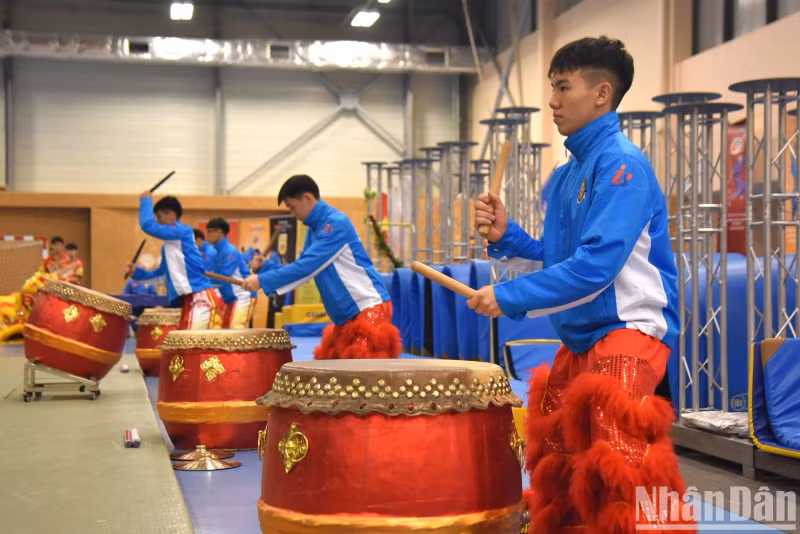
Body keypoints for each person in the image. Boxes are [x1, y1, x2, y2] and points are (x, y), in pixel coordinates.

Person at [470, 37, 692, 532]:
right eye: (552, 87)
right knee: (557, 450)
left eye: (563, 87)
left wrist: (507, 297)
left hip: (628, 331)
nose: (552, 101)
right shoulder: (568, 174)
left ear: (601, 93)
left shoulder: (623, 166)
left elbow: (595, 269)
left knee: (619, 466)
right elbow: (560, 257)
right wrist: (508, 237)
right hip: (582, 334)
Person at [242, 175, 400, 359]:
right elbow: (302, 266)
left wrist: (261, 281)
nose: (293, 214)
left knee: (361, 368)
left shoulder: (335, 223)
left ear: (307, 198)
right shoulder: (314, 229)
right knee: (335, 369)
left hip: (368, 308)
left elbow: (307, 267)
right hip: (347, 315)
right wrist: (266, 267)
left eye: (292, 207)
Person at [126, 193, 219, 330]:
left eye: (159, 217)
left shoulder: (183, 232)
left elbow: (147, 225)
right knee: (185, 342)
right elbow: (160, 275)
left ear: (171, 216)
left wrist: (146, 200)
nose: (157, 221)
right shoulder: (167, 248)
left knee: (191, 342)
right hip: (187, 300)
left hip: (200, 297)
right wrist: (136, 272)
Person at [206, 217, 255, 329]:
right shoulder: (215, 252)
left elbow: (222, 277)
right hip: (229, 298)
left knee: (236, 329)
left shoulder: (230, 251)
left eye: (209, 232)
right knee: (223, 331)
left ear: (219, 232)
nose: (207, 235)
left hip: (243, 295)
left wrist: (199, 283)